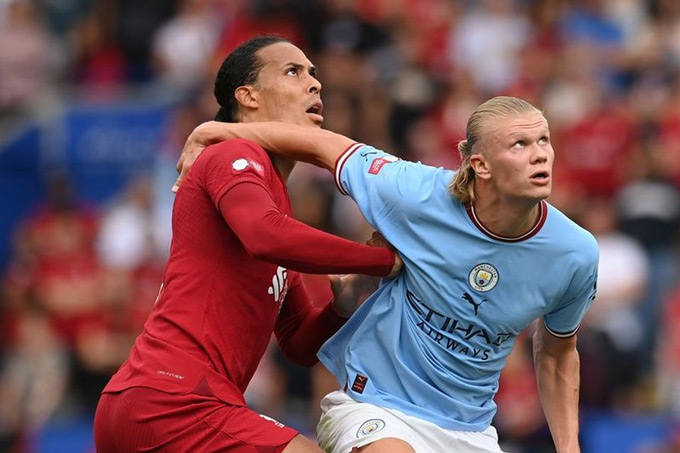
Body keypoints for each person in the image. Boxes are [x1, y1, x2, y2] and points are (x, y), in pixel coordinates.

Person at [175, 95, 600, 453]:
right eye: (520, 144)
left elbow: (557, 353)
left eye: (544, 140)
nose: (540, 153)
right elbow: (324, 146)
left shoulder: (575, 254)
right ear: (481, 165)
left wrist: (569, 449)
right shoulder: (415, 192)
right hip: (376, 406)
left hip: (470, 430)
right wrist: (221, 132)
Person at [93, 36, 402, 453]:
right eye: (293, 71)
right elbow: (265, 235)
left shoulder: (270, 202)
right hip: (174, 399)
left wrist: (339, 309)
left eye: (313, 73)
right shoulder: (232, 154)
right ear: (248, 97)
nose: (314, 83)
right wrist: (381, 259)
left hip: (153, 399)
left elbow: (298, 344)